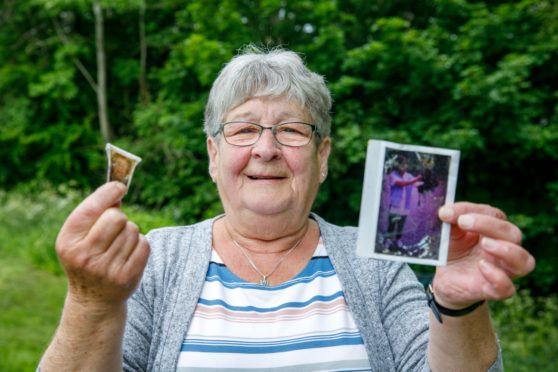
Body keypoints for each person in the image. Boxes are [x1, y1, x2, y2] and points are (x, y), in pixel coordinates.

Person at [40, 46, 535, 371]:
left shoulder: (375, 266)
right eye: (243, 129)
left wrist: (460, 304)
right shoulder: (157, 258)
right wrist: (92, 304)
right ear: (214, 157)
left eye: (292, 130)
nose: (266, 149)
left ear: (322, 158)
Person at [385, 154, 423, 252]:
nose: (405, 167)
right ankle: (388, 241)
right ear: (396, 166)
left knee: (401, 225)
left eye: (405, 165)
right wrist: (416, 179)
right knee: (392, 224)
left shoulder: (408, 176)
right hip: (395, 205)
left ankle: (398, 241)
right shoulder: (392, 175)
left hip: (405, 206)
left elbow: (415, 183)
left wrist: (423, 182)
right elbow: (402, 184)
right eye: (402, 165)